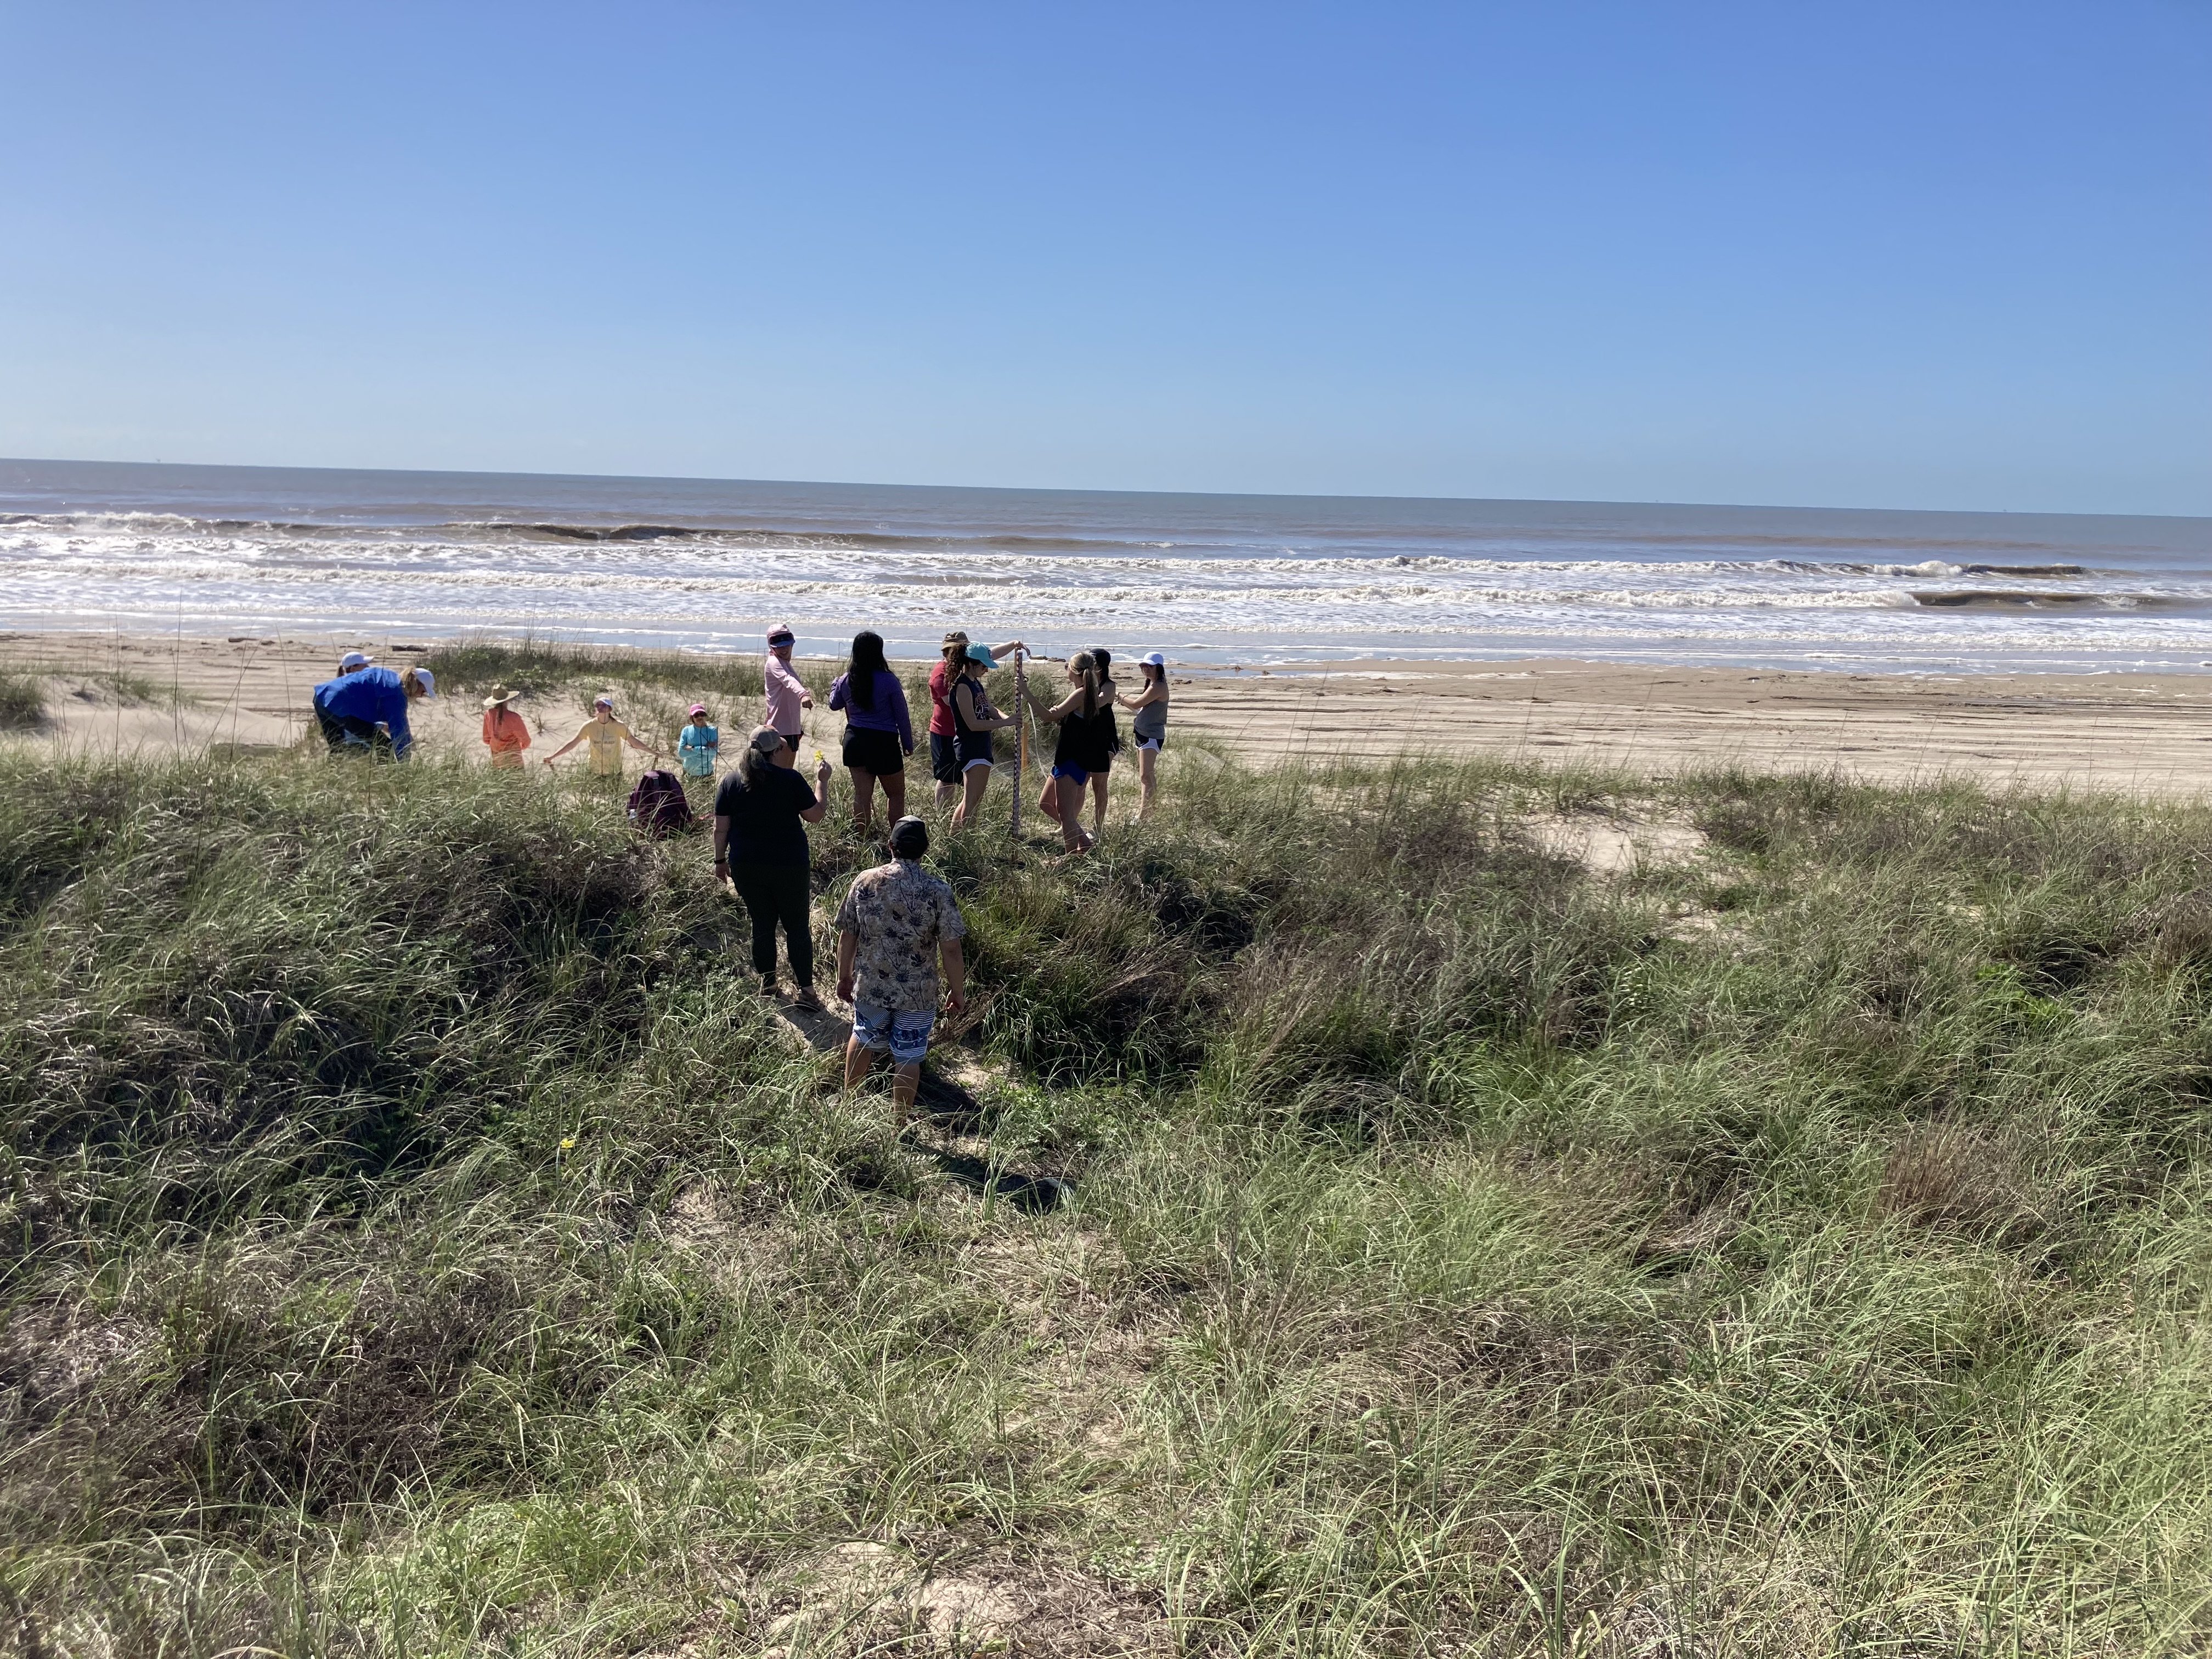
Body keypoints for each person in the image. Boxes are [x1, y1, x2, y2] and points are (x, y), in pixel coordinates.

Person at [834, 815, 966, 1121]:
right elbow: (951, 948)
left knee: (864, 1036)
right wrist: (957, 991)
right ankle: (900, 1122)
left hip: (871, 986)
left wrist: (844, 975)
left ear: (890, 845)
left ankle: (847, 1108)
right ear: (925, 850)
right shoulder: (938, 891)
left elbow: (848, 935)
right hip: (917, 993)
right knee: (908, 1055)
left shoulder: (865, 881)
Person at [714, 726, 833, 1005]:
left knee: (762, 926)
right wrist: (822, 782)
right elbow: (815, 815)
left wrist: (719, 861)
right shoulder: (790, 779)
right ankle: (807, 992)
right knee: (797, 928)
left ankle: (768, 986)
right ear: (777, 751)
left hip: (746, 865)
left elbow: (721, 830)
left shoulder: (730, 781)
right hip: (789, 865)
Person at [1022, 651, 1113, 853]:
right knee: (1045, 803)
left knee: (1066, 814)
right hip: (1066, 757)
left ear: (1074, 671)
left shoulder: (1082, 692)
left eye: (1068, 667)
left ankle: (1071, 856)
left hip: (1072, 760)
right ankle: (1084, 842)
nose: (1066, 670)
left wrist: (1025, 691)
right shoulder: (1085, 691)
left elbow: (1046, 716)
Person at [928, 629, 1026, 809]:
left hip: (969, 736)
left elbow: (988, 656)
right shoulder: (943, 674)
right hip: (946, 732)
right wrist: (1004, 721)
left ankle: (955, 819)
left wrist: (1013, 645)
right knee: (947, 778)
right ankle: (943, 816)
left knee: (965, 786)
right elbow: (964, 711)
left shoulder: (971, 675)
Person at [827, 630, 913, 833]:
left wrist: (834, 684)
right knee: (895, 796)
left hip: (855, 740)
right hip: (883, 743)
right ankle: (897, 841)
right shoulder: (889, 680)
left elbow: (834, 704)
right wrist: (908, 744)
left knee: (862, 796)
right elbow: (902, 716)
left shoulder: (847, 680)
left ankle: (863, 838)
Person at [947, 643, 1018, 828]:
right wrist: (1005, 723)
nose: (986, 670)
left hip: (981, 746)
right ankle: (966, 842)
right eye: (983, 666)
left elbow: (990, 709)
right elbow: (973, 724)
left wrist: (1009, 719)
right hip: (971, 747)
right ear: (971, 663)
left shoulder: (975, 683)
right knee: (972, 802)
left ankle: (954, 840)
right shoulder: (962, 687)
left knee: (970, 800)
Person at [312, 663, 435, 759]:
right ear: (416, 684)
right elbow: (399, 732)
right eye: (423, 692)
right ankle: (386, 780)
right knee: (385, 747)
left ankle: (328, 784)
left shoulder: (389, 676)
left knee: (338, 748)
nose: (421, 696)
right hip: (339, 705)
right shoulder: (396, 694)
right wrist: (404, 764)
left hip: (322, 697)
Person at [543, 692, 657, 778]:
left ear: (610, 709)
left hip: (614, 772)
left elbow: (634, 742)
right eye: (598, 705)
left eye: (603, 705)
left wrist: (654, 753)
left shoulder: (619, 726)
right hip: (594, 771)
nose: (600, 708)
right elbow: (572, 744)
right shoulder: (589, 726)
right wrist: (553, 757)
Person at [1116, 652, 1169, 820]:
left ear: (1158, 668)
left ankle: (1143, 815)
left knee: (1145, 776)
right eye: (1144, 666)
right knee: (1147, 775)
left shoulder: (1159, 686)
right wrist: (1125, 702)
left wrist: (1120, 696)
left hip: (1151, 735)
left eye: (1150, 666)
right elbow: (1141, 709)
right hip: (1143, 734)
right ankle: (1150, 810)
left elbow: (1136, 703)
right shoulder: (1153, 685)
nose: (1146, 669)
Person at [763, 624, 813, 753]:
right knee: (782, 772)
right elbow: (788, 680)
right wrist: (803, 694)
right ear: (771, 646)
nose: (784, 649)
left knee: (786, 771)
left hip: (790, 728)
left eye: (786, 645)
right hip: (780, 729)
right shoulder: (774, 662)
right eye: (779, 646)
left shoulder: (784, 662)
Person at [481, 684, 532, 769]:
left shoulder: (488, 715)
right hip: (514, 762)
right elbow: (526, 741)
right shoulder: (514, 717)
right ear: (507, 700)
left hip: (497, 762)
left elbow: (486, 739)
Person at [676, 702, 719, 782]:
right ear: (692, 718)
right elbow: (682, 753)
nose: (700, 717)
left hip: (707, 773)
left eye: (702, 714)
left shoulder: (712, 731)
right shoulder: (686, 731)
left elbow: (714, 752)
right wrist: (705, 749)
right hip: (689, 773)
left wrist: (693, 748)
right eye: (696, 715)